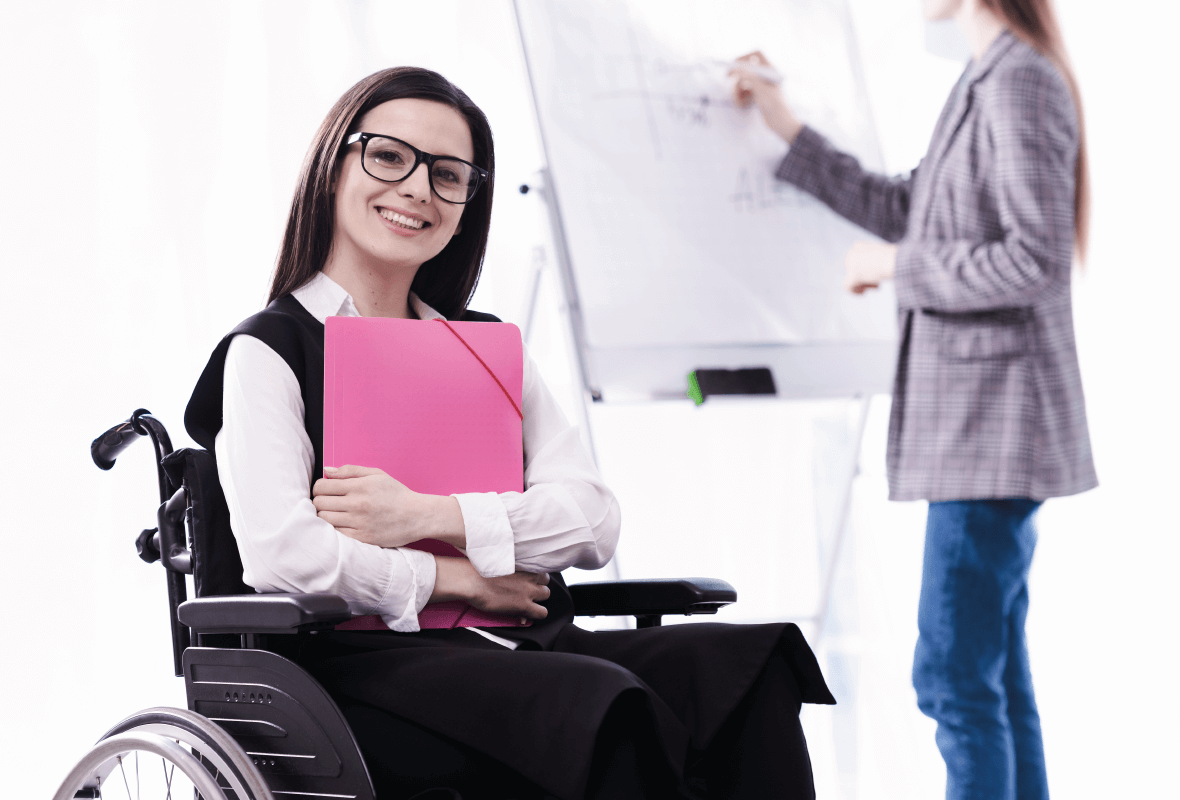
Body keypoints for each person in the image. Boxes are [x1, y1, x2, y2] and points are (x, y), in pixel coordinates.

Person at [183, 66, 834, 800]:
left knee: (747, 665)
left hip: (528, 643)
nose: (418, 189)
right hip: (359, 673)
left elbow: (591, 520)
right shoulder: (269, 350)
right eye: (390, 157)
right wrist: (460, 581)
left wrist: (427, 517)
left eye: (448, 175)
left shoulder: (487, 350)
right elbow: (285, 556)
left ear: (467, 203)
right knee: (596, 703)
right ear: (335, 165)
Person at [730, 0, 1095, 798]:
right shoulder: (988, 76)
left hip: (992, 429)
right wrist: (786, 123)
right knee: (992, 679)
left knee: (952, 679)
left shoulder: (1018, 82)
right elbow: (906, 207)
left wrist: (896, 267)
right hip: (983, 428)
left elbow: (1032, 261)